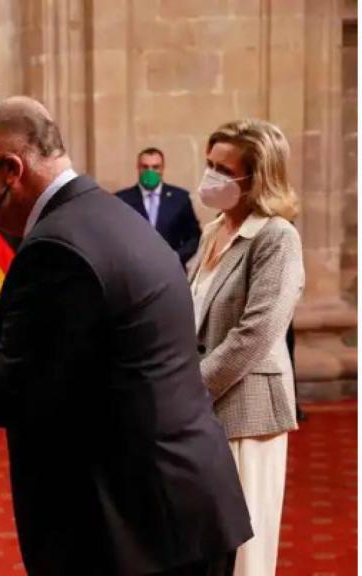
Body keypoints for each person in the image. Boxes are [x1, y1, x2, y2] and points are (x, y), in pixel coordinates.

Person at [0, 96, 252, 576]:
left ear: (10, 170)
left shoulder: (55, 248)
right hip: (183, 506)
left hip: (133, 527)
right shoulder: (111, 215)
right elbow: (52, 356)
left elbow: (18, 387)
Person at [187, 119, 304, 576]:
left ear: (256, 178)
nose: (211, 176)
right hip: (204, 409)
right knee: (209, 543)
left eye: (223, 169)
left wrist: (189, 388)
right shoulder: (213, 229)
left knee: (246, 552)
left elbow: (257, 333)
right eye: (208, 164)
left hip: (249, 412)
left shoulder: (277, 237)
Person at [116, 147, 202, 264]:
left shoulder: (180, 198)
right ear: (138, 168)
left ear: (162, 169)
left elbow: (194, 238)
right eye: (145, 167)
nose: (150, 172)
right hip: (134, 270)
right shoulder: (121, 200)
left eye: (155, 167)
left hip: (171, 270)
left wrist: (176, 257)